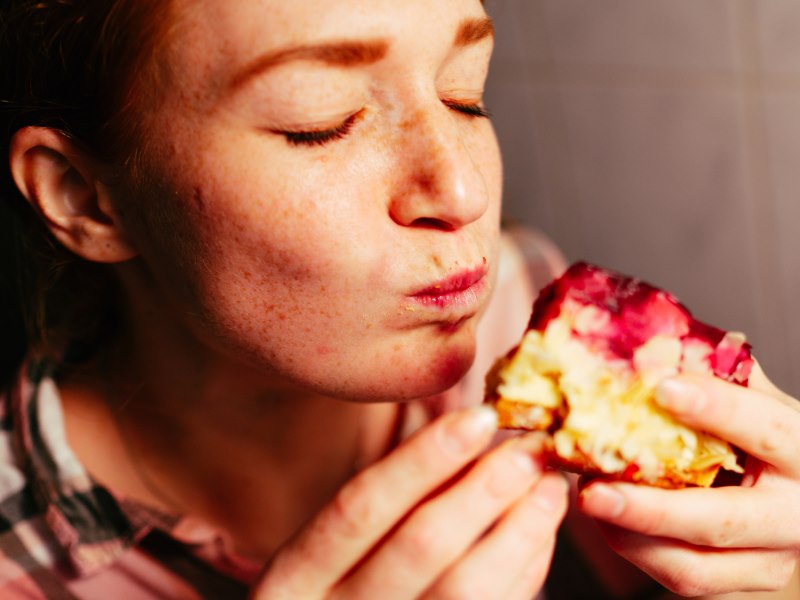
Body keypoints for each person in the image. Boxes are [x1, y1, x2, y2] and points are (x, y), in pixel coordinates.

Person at [0, 1, 797, 598]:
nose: (462, 187)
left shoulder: (514, 307)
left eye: (465, 94)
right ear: (84, 197)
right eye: (323, 122)